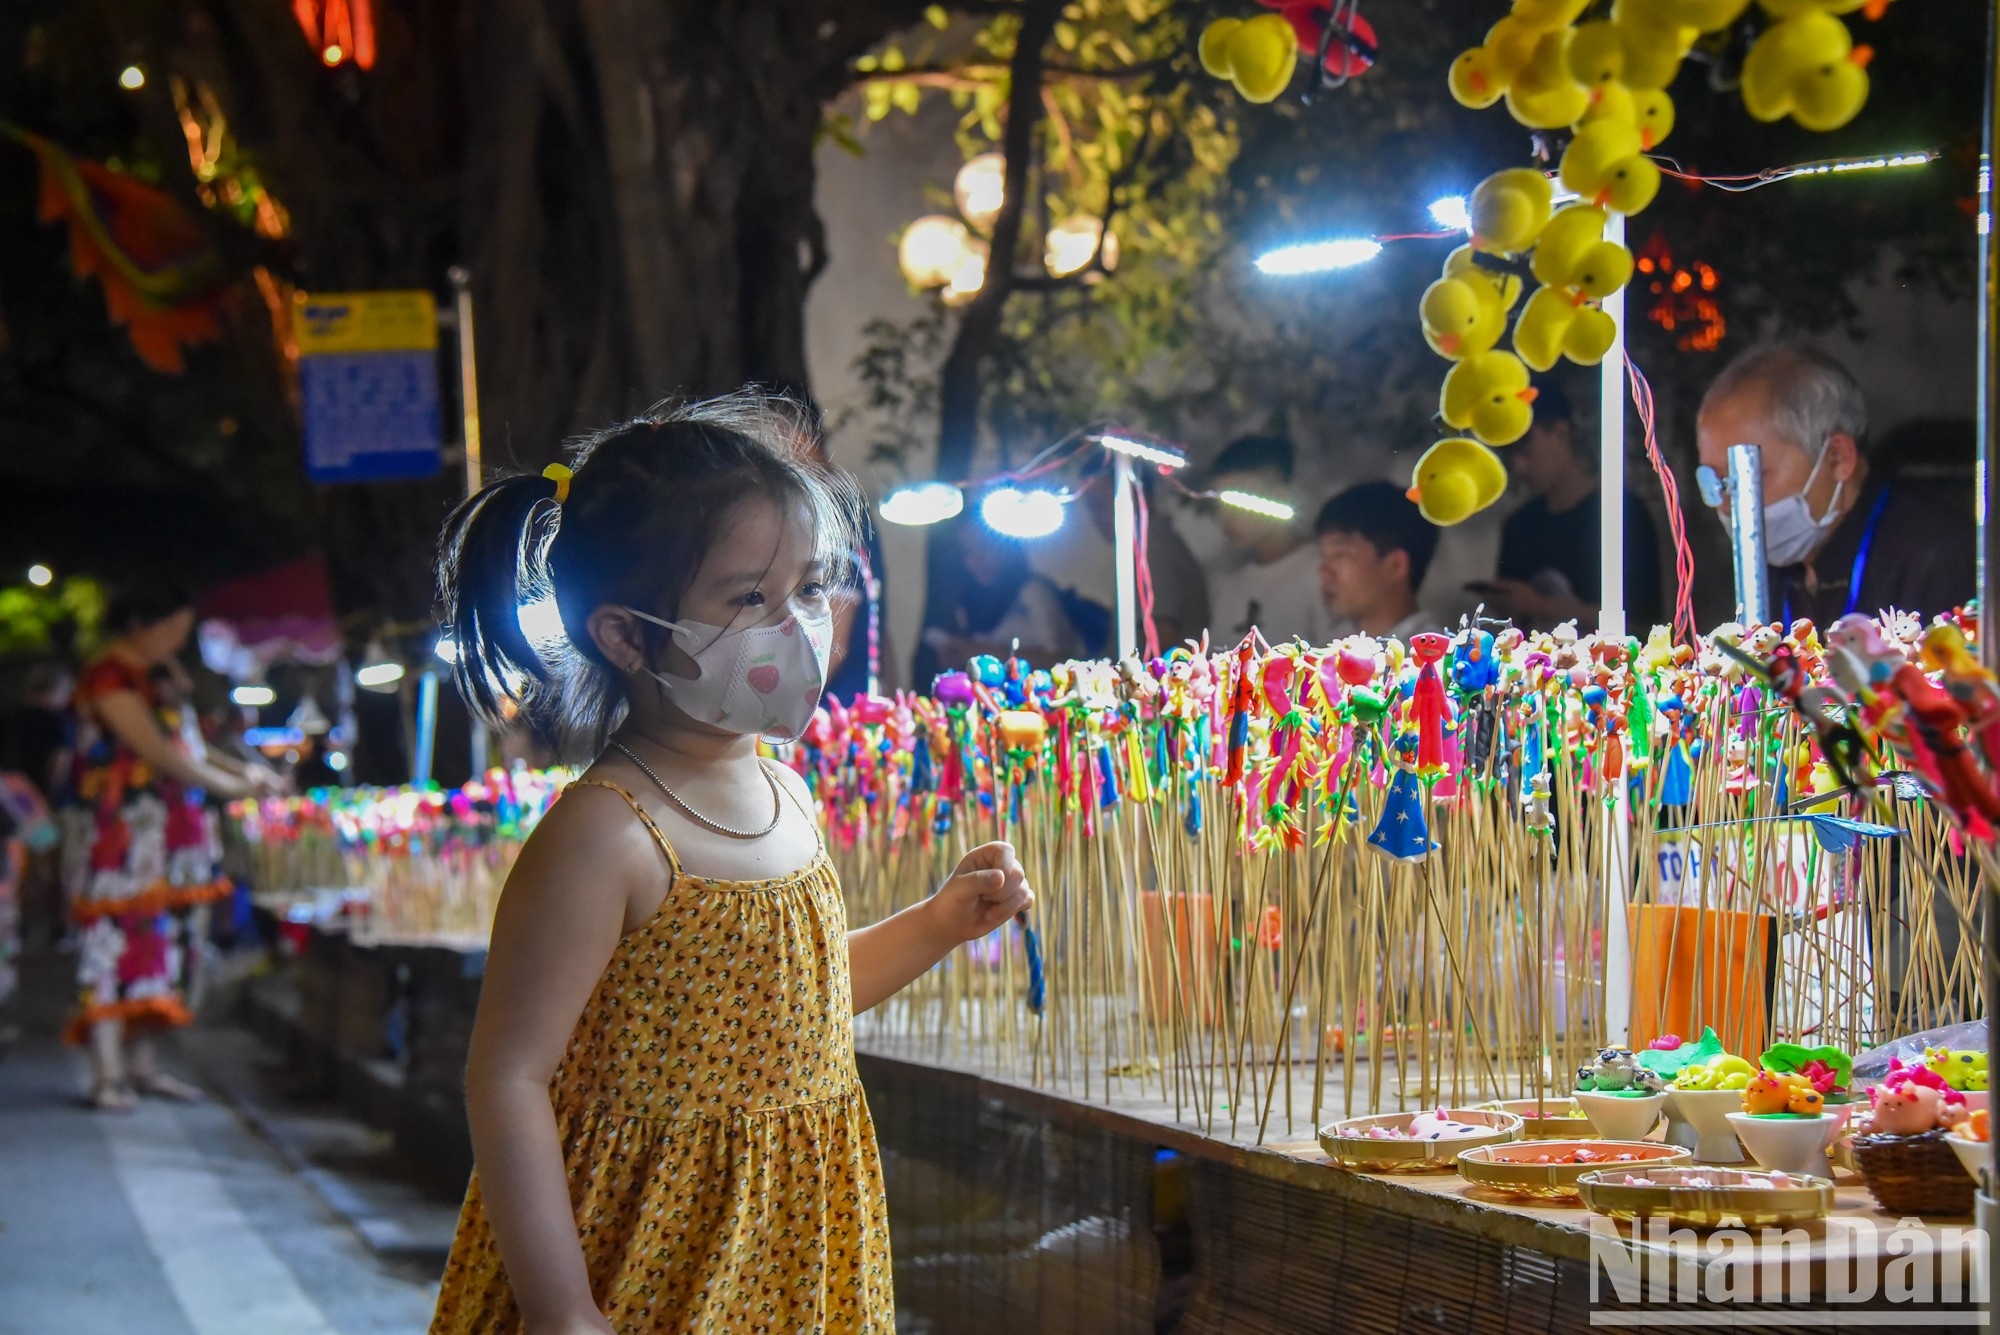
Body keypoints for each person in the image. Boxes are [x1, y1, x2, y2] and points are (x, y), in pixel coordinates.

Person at [429, 391, 1033, 1334]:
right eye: (749, 596)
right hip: (648, 1260)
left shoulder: (786, 789)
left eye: (806, 587)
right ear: (627, 635)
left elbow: (793, 1009)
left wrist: (937, 923)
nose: (796, 622)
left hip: (795, 1244)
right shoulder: (606, 834)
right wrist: (562, 1308)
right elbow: (505, 1077)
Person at [61, 582, 279, 1110]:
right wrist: (231, 785)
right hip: (124, 836)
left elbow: (191, 744)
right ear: (141, 624)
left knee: (164, 943)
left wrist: (243, 771)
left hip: (171, 833)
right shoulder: (109, 678)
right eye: (174, 630)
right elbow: (159, 753)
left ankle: (142, 1065)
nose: (179, 642)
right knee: (115, 941)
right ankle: (107, 1072)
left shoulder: (160, 677)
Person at [1696, 343, 1975, 627]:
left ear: (1837, 457)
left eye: (1752, 479)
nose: (1729, 504)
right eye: (1715, 482)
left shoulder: (1933, 557)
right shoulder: (1767, 566)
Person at [1487, 378, 1663, 631]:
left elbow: (1644, 625)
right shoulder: (1519, 527)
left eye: (1524, 446)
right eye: (1509, 453)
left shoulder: (1621, 514)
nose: (1519, 465)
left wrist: (1540, 605)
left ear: (1560, 431)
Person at [915, 520, 1093, 677]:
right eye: (967, 551)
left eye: (985, 547)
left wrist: (983, 652)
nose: (977, 559)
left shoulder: (1032, 592)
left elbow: (1064, 660)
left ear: (1006, 546)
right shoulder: (969, 601)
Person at [1203, 435, 1331, 647]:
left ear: (1279, 495)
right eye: (1220, 505)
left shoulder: (1320, 573)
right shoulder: (1228, 584)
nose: (1227, 518)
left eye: (1239, 503)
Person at [1077, 453, 1210, 653]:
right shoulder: (1149, 543)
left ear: (1131, 495)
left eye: (1098, 505)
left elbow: (1161, 638)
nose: (1095, 518)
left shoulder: (1151, 548)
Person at [1314, 481, 1439, 641]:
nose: (1324, 571)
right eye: (1323, 556)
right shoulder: (1333, 651)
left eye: (1340, 555)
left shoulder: (1434, 659)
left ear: (1395, 566)